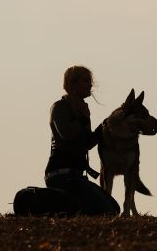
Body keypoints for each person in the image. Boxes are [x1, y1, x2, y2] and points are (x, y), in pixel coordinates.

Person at [44, 65, 120, 215]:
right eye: (85, 81)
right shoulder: (60, 107)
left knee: (114, 208)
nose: (90, 85)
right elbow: (67, 134)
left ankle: (69, 209)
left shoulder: (81, 109)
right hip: (60, 175)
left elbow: (86, 144)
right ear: (72, 83)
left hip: (76, 176)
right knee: (106, 211)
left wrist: (105, 126)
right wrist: (84, 118)